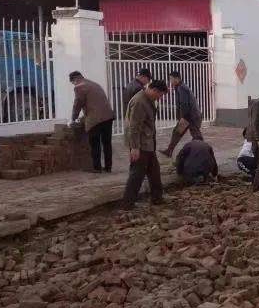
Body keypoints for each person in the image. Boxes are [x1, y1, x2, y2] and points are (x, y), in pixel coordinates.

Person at [121, 79, 169, 210]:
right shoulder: (139, 102)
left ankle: (157, 198)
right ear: (154, 90)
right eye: (160, 95)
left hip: (148, 143)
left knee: (154, 172)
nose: (160, 98)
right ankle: (128, 203)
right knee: (137, 174)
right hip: (141, 145)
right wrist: (135, 147)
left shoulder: (147, 100)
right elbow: (134, 127)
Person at [69, 71, 115, 173]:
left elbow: (78, 104)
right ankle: (108, 167)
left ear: (74, 80)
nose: (74, 84)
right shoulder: (94, 84)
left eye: (72, 82)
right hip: (108, 116)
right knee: (107, 143)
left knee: (95, 143)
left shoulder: (79, 87)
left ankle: (97, 167)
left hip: (95, 119)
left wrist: (73, 118)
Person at [159, 71, 203, 158]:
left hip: (191, 116)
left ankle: (202, 152)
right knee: (178, 133)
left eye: (171, 79)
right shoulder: (179, 87)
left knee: (195, 135)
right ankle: (169, 151)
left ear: (177, 78)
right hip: (189, 116)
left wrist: (183, 117)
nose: (170, 81)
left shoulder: (181, 88)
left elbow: (184, 104)